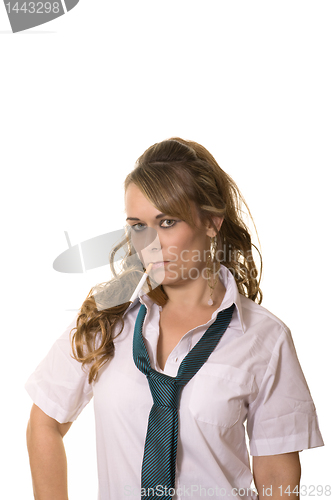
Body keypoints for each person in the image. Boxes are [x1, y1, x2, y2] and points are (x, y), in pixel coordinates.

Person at [26, 138, 324, 500]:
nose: (151, 242)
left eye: (167, 222)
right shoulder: (107, 319)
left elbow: (276, 476)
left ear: (212, 222)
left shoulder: (265, 338)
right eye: (138, 225)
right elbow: (45, 422)